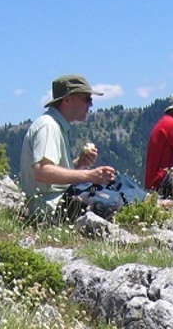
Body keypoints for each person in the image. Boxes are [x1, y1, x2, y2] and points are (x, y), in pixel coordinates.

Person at [18, 74, 116, 220]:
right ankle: (153, 204)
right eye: (87, 98)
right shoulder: (49, 126)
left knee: (115, 185)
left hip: (55, 201)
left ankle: (151, 203)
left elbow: (53, 173)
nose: (91, 104)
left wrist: (79, 163)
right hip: (50, 206)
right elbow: (43, 172)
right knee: (112, 195)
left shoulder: (55, 125)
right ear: (68, 99)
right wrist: (89, 176)